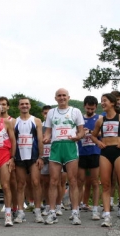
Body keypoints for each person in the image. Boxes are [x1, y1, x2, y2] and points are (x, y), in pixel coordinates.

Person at [91, 93, 120, 228]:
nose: (102, 103)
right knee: (105, 185)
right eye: (101, 101)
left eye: (105, 101)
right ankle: (106, 216)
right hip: (105, 152)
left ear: (112, 103)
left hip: (118, 152)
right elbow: (93, 136)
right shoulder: (100, 120)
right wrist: (98, 143)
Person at [42, 88, 85, 225]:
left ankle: (75, 212)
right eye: (59, 96)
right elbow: (48, 132)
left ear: (68, 97)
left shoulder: (75, 111)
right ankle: (52, 212)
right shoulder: (51, 112)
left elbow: (81, 132)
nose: (62, 98)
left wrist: (77, 137)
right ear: (55, 98)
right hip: (56, 148)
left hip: (70, 147)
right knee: (53, 181)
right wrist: (46, 139)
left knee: (73, 181)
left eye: (64, 95)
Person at [12, 97, 44, 223]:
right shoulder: (14, 122)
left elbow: (40, 139)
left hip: (34, 156)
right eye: (22, 104)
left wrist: (41, 157)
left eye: (26, 104)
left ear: (30, 106)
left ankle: (37, 211)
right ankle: (20, 212)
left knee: (36, 183)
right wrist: (12, 158)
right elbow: (12, 140)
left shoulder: (36, 120)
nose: (24, 106)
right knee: (20, 185)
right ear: (18, 106)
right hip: (19, 157)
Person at [77, 96, 101, 220]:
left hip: (95, 152)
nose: (90, 110)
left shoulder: (99, 118)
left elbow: (103, 133)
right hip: (81, 153)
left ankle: (95, 209)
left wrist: (90, 132)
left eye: (92, 108)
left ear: (96, 107)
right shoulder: (79, 118)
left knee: (95, 181)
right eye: (88, 108)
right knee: (80, 181)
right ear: (84, 106)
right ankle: (77, 209)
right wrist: (81, 133)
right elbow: (75, 133)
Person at [0, 96, 18, 215]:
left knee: (12, 182)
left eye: (4, 104)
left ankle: (14, 208)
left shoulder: (13, 121)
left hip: (10, 155)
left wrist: (12, 156)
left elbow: (15, 140)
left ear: (8, 106)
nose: (2, 106)